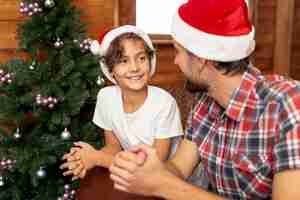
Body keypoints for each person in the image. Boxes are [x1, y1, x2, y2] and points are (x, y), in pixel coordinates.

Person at [109, 0, 300, 199]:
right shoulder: (205, 103)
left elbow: (169, 185)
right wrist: (153, 171)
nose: (175, 61)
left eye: (178, 51)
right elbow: (179, 167)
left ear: (201, 60)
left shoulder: (288, 105)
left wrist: (163, 185)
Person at [60, 25, 183, 179]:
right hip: (135, 176)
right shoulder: (106, 98)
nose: (134, 68)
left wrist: (97, 158)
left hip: (171, 179)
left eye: (141, 58)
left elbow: (155, 163)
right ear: (110, 69)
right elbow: (113, 147)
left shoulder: (164, 102)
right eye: (123, 61)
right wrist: (81, 160)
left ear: (150, 61)